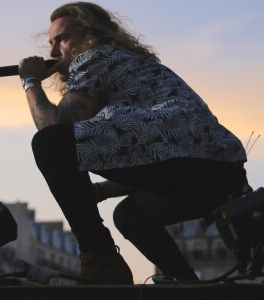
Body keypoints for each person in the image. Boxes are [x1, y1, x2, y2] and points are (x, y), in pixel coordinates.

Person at [18, 2, 250, 285]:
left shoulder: (95, 56)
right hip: (223, 176)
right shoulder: (134, 69)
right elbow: (158, 154)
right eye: (51, 43)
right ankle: (184, 282)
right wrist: (101, 191)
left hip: (194, 169)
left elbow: (54, 129)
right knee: (130, 217)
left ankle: (98, 257)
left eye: (62, 40)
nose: (54, 53)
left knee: (51, 144)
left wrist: (30, 80)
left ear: (90, 34)